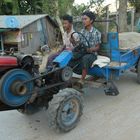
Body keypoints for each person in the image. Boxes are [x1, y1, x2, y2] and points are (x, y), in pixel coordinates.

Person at [71, 11, 101, 85]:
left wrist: (90, 49)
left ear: (91, 21)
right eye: (83, 19)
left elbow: (97, 47)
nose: (83, 21)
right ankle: (67, 75)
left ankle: (82, 79)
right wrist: (73, 41)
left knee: (85, 58)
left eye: (85, 19)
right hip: (83, 51)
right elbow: (77, 44)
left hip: (92, 54)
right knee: (71, 56)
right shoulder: (82, 31)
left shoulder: (96, 32)